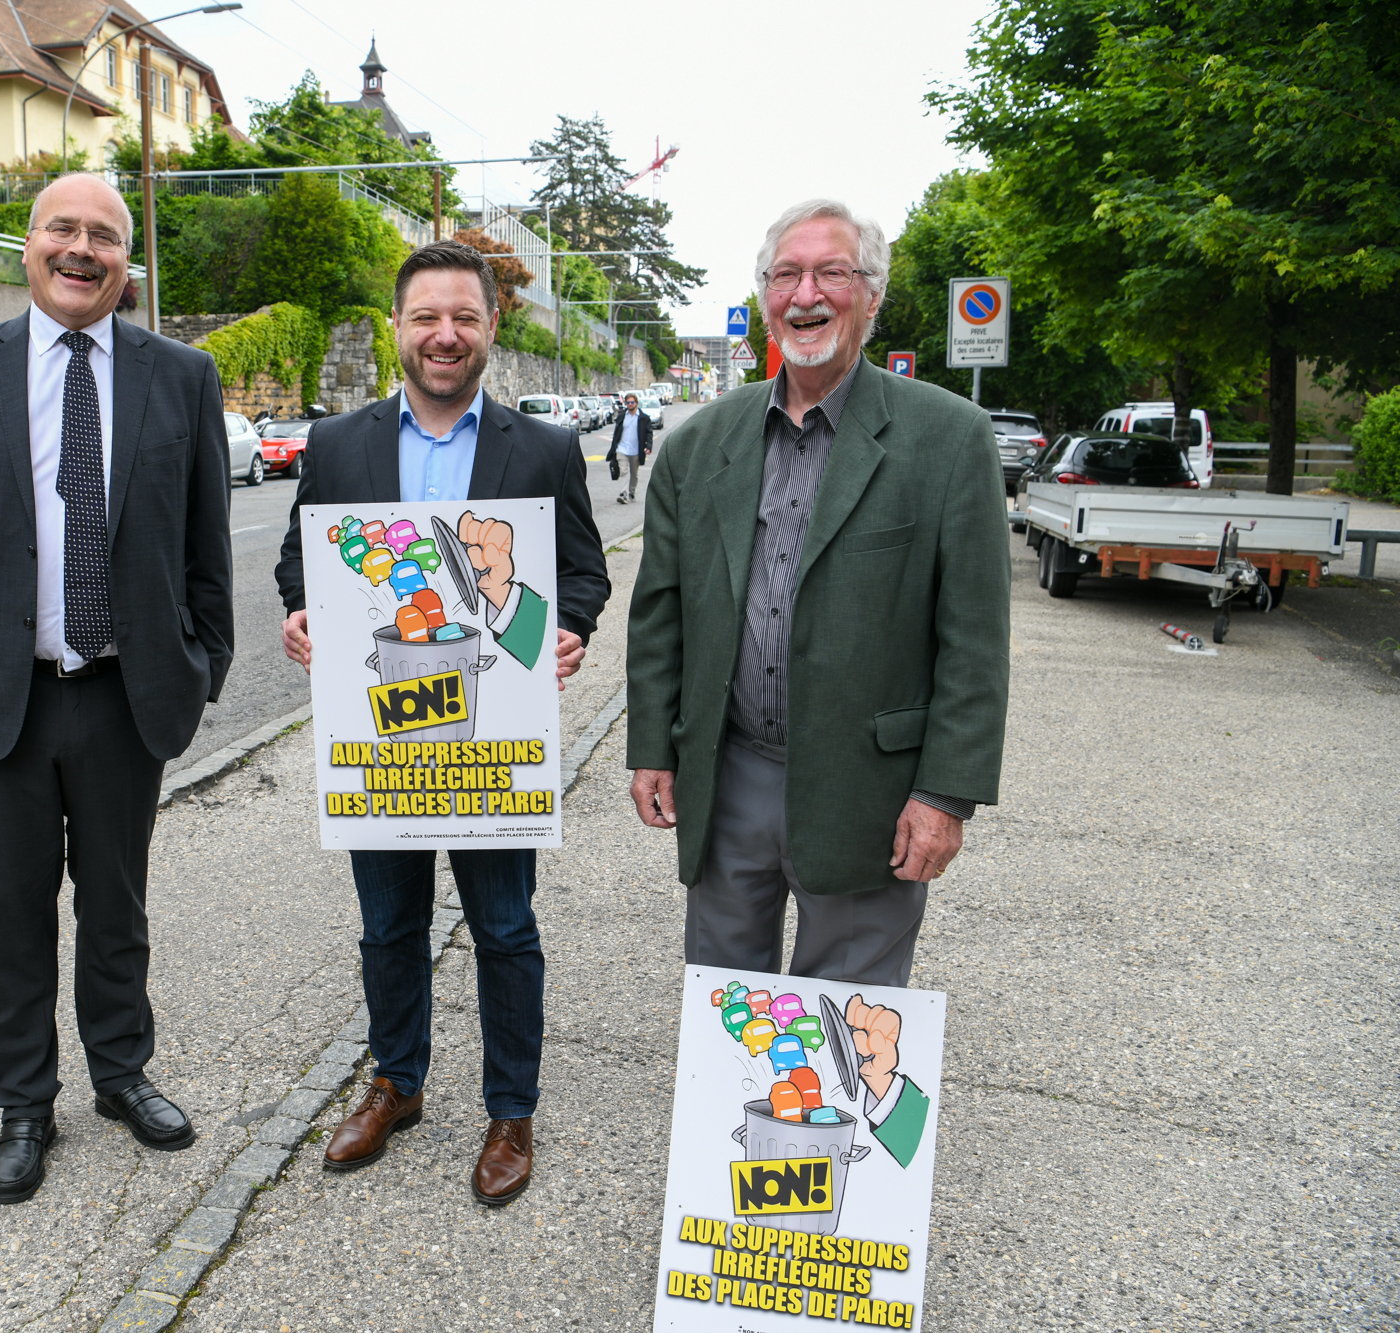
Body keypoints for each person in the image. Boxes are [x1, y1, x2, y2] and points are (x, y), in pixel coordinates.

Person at [0, 173, 235, 1205]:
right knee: (13, 913)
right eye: (62, 230)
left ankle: (120, 1074)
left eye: (103, 237)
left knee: (116, 908)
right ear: (27, 246)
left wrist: (201, 662)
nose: (81, 249)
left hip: (125, 694)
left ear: (127, 263)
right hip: (4, 694)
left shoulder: (182, 375)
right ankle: (24, 1104)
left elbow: (206, 541)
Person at [275, 240, 610, 1206]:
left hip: (492, 738)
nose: (445, 335)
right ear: (398, 328)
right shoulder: (340, 445)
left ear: (491, 328)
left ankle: (511, 1109)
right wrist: (301, 610)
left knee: (505, 928)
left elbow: (580, 571)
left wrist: (571, 629)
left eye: (464, 317)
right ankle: (396, 1083)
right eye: (426, 317)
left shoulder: (542, 450)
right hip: (379, 734)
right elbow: (304, 563)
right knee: (389, 925)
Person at [625, 198, 1010, 988]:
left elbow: (974, 637)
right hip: (730, 775)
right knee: (726, 1005)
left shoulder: (947, 437)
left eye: (832, 272)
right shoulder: (699, 444)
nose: (807, 294)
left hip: (871, 789)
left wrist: (946, 793)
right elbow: (661, 613)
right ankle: (738, 1120)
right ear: (764, 297)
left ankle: (826, 1121)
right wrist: (653, 749)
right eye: (786, 275)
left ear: (872, 294)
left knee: (848, 1014)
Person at [606, 392, 654, 503]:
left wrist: (648, 446)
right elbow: (616, 432)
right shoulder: (622, 416)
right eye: (628, 402)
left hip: (636, 450)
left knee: (634, 474)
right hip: (622, 449)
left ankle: (631, 491)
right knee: (624, 471)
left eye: (632, 402)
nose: (630, 404)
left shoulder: (643, 418)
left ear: (636, 403)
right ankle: (624, 494)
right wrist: (614, 447)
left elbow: (649, 433)